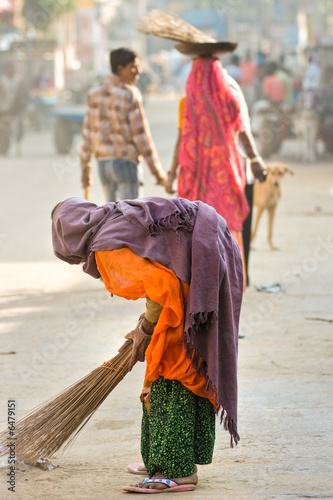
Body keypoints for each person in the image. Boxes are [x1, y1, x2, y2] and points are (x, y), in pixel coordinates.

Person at [51, 196, 244, 493]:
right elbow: (162, 267)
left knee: (174, 364)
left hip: (202, 258)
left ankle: (176, 469)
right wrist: (144, 327)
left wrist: (146, 327)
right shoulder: (114, 223)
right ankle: (168, 456)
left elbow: (163, 285)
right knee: (175, 359)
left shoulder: (107, 245)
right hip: (208, 248)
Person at [165, 44, 267, 286]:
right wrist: (255, 158)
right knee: (230, 226)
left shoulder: (191, 97)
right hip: (230, 172)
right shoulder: (229, 93)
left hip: (203, 176)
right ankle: (233, 277)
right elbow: (243, 129)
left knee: (199, 225)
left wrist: (172, 173)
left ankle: (206, 280)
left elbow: (183, 138)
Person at [80, 47, 166, 202]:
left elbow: (88, 134)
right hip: (126, 164)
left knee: (112, 221)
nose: (138, 72)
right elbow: (142, 138)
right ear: (120, 69)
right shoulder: (130, 94)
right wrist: (157, 172)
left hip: (104, 165)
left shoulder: (94, 93)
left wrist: (85, 169)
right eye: (133, 67)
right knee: (130, 220)